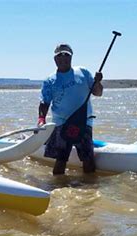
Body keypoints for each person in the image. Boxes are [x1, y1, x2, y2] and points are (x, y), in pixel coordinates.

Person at [37, 43, 103, 175]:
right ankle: (55, 187)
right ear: (55, 59)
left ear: (71, 57)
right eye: (59, 55)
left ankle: (90, 190)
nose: (63, 58)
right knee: (60, 160)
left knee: (88, 159)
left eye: (66, 55)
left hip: (84, 122)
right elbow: (44, 103)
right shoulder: (49, 80)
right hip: (62, 123)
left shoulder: (83, 72)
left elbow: (98, 93)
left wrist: (98, 82)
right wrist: (41, 119)